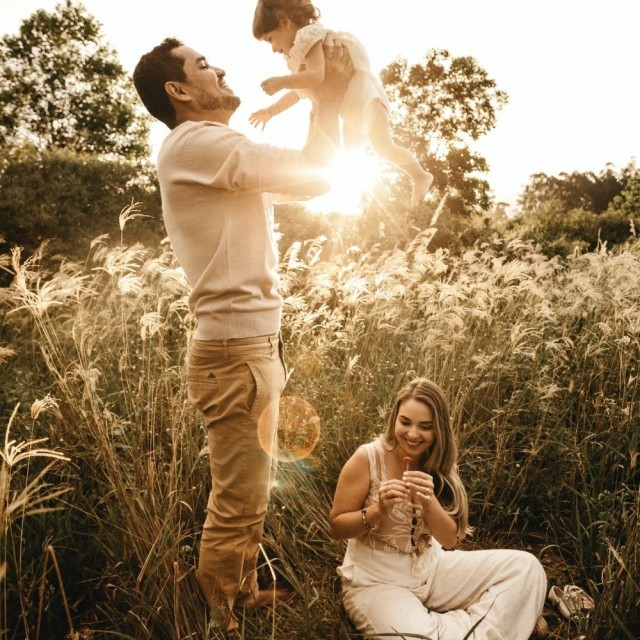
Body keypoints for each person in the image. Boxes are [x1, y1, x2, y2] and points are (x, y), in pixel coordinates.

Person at [132, 36, 352, 633]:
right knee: (238, 498)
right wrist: (324, 93)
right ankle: (220, 620)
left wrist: (323, 99)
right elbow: (314, 170)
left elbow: (315, 181)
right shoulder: (198, 142)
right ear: (178, 91)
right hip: (235, 353)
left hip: (247, 348)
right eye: (203, 64)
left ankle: (242, 590)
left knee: (253, 489)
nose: (220, 67)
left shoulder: (211, 152)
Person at [328, 377, 548, 639]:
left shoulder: (438, 461)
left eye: (425, 427)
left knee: (526, 568)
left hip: (432, 569)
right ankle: (482, 626)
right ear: (394, 419)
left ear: (438, 430)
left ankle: (454, 627)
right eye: (405, 422)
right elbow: (336, 526)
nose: (412, 434)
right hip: (376, 583)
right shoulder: (367, 458)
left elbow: (449, 539)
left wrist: (428, 500)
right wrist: (378, 510)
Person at [250, 0, 434, 208]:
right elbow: (300, 91)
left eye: (270, 40)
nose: (273, 49)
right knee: (352, 158)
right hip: (351, 106)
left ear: (285, 22)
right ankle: (380, 203)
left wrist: (282, 81)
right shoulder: (302, 52)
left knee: (383, 147)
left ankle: (420, 176)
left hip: (365, 98)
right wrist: (272, 110)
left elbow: (316, 76)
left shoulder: (307, 36)